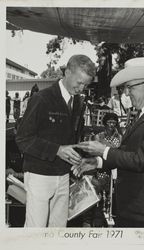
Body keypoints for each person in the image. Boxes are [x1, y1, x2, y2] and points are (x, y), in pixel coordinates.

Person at [73, 57, 144, 227]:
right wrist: (97, 162)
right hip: (130, 208)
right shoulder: (143, 116)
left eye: (130, 87)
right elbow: (126, 153)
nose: (126, 93)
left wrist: (103, 151)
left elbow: (140, 160)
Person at [16, 55, 96, 227]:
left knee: (58, 231)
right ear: (67, 72)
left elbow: (73, 138)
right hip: (39, 174)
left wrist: (79, 158)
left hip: (64, 175)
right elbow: (23, 139)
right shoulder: (42, 98)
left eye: (86, 85)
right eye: (79, 82)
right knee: (35, 231)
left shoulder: (78, 103)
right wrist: (57, 150)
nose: (81, 88)